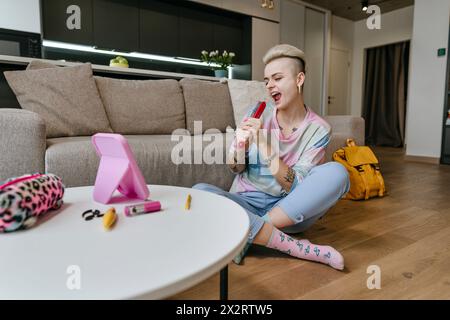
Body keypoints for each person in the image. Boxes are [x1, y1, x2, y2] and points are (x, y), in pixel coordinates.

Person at [193, 44, 350, 270]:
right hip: (245, 202)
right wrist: (239, 147)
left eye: (277, 78)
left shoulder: (319, 129)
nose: (269, 86)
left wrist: (263, 144)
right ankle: (298, 248)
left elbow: (296, 186)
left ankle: (250, 233)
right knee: (200, 192)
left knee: (338, 173)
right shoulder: (256, 114)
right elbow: (235, 168)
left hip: (288, 211)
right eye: (266, 80)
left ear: (299, 79)